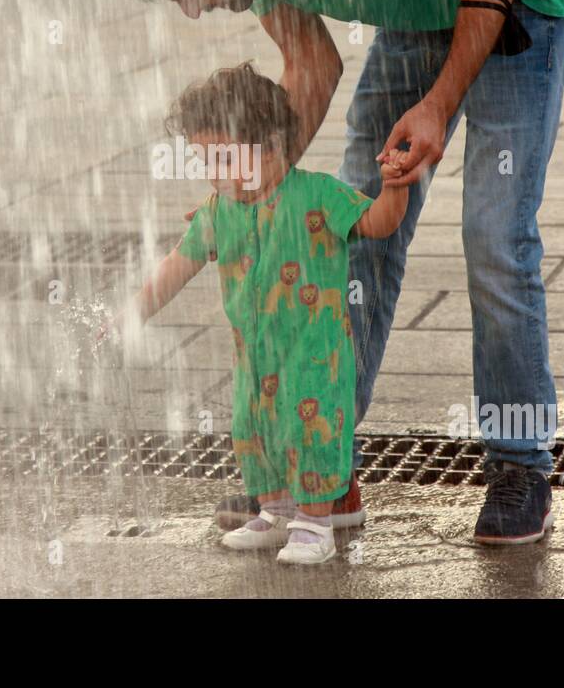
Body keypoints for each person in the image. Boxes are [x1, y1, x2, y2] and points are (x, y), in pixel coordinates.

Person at [119, 0, 564, 545]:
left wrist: (436, 106)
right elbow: (311, 70)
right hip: (420, 8)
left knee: (494, 241)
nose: (195, 8)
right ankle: (321, 466)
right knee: (343, 232)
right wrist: (259, 198)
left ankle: (520, 465)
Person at [112, 63, 408, 564]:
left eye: (226, 159)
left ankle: (315, 523)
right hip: (255, 355)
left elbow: (379, 224)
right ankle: (276, 512)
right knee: (253, 430)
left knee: (308, 431)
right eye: (206, 161)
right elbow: (178, 264)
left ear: (271, 144)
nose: (215, 173)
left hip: (314, 355)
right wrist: (135, 310)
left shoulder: (316, 195)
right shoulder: (217, 211)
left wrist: (395, 185)